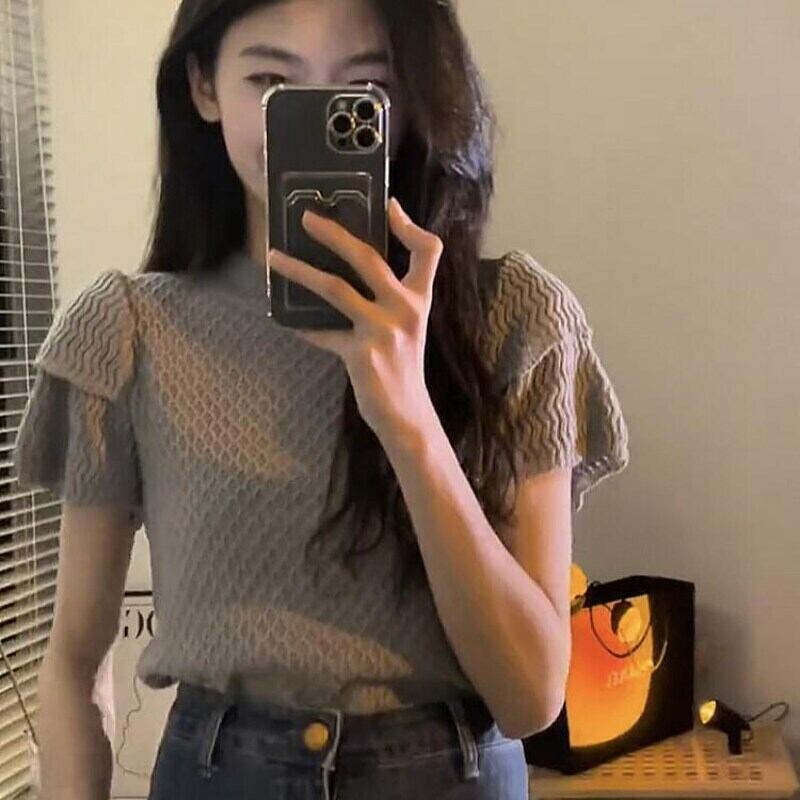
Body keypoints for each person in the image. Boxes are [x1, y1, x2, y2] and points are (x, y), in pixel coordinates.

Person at [14, 0, 631, 798]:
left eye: (364, 88)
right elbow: (74, 662)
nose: (310, 115)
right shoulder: (128, 331)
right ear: (204, 87)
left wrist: (408, 418)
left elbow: (530, 697)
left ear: (411, 97)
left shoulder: (515, 318)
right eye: (272, 82)